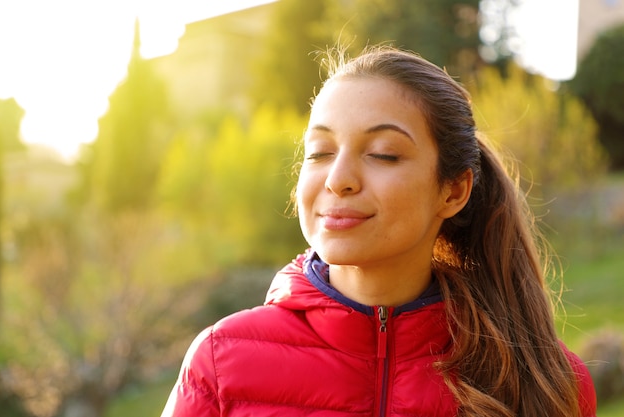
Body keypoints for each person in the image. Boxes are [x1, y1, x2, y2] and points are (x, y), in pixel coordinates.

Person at [161, 46, 596, 417]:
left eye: (384, 154)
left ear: (454, 190)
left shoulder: (549, 382)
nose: (338, 179)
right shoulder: (220, 361)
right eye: (320, 152)